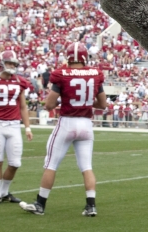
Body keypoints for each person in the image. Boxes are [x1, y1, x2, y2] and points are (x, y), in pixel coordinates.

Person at [21, 42, 105, 216]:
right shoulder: (95, 74)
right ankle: (91, 206)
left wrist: (65, 100)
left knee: (51, 164)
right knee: (86, 166)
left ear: (68, 57)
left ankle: (40, 204)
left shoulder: (62, 74)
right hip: (86, 124)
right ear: (84, 58)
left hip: (67, 122)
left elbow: (49, 104)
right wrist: (86, 102)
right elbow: (102, 104)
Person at [0, 50, 33, 204]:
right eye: (9, 63)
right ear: (1, 63)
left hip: (14, 125)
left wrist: (27, 127)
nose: (11, 66)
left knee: (15, 163)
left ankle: (4, 192)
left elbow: (23, 107)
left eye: (13, 63)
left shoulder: (19, 81)